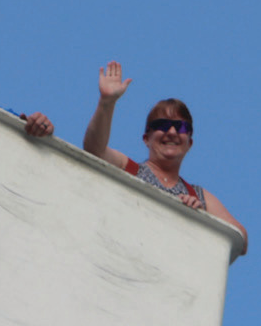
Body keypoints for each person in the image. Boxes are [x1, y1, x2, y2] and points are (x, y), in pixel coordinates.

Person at [83, 61, 247, 254]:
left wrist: (203, 217)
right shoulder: (131, 170)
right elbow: (94, 149)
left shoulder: (197, 195)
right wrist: (106, 103)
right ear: (146, 139)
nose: (171, 132)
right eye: (161, 125)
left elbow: (240, 238)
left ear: (190, 143)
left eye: (181, 127)